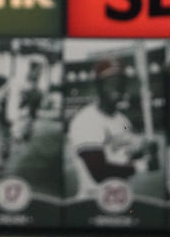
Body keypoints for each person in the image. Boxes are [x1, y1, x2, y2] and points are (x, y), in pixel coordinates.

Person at [66, 59, 159, 200]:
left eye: (121, 82)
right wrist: (143, 166)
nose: (117, 87)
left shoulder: (123, 120)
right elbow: (99, 173)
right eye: (110, 82)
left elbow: (123, 154)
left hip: (122, 196)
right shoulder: (86, 120)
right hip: (93, 200)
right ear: (98, 86)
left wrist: (144, 150)